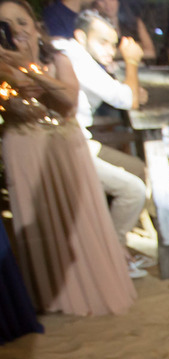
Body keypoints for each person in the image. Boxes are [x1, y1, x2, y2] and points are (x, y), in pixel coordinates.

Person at [0, 0, 134, 316]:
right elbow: (12, 103)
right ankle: (53, 294)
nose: (16, 30)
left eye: (21, 21)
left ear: (34, 24)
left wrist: (28, 67)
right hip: (23, 146)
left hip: (65, 145)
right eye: (5, 25)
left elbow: (68, 101)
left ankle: (93, 282)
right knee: (40, 222)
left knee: (79, 216)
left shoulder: (60, 55)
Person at [60, 9, 151, 277]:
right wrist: (131, 63)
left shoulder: (80, 55)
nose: (110, 50)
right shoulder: (73, 57)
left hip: (80, 139)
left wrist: (127, 89)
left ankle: (116, 242)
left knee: (137, 168)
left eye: (113, 44)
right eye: (103, 42)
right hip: (66, 146)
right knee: (133, 190)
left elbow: (125, 94)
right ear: (80, 36)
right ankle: (112, 255)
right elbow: (127, 99)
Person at [91, 0, 155, 59]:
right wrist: (126, 51)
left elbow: (150, 53)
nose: (108, 4)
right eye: (102, 0)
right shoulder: (94, 26)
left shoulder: (135, 22)